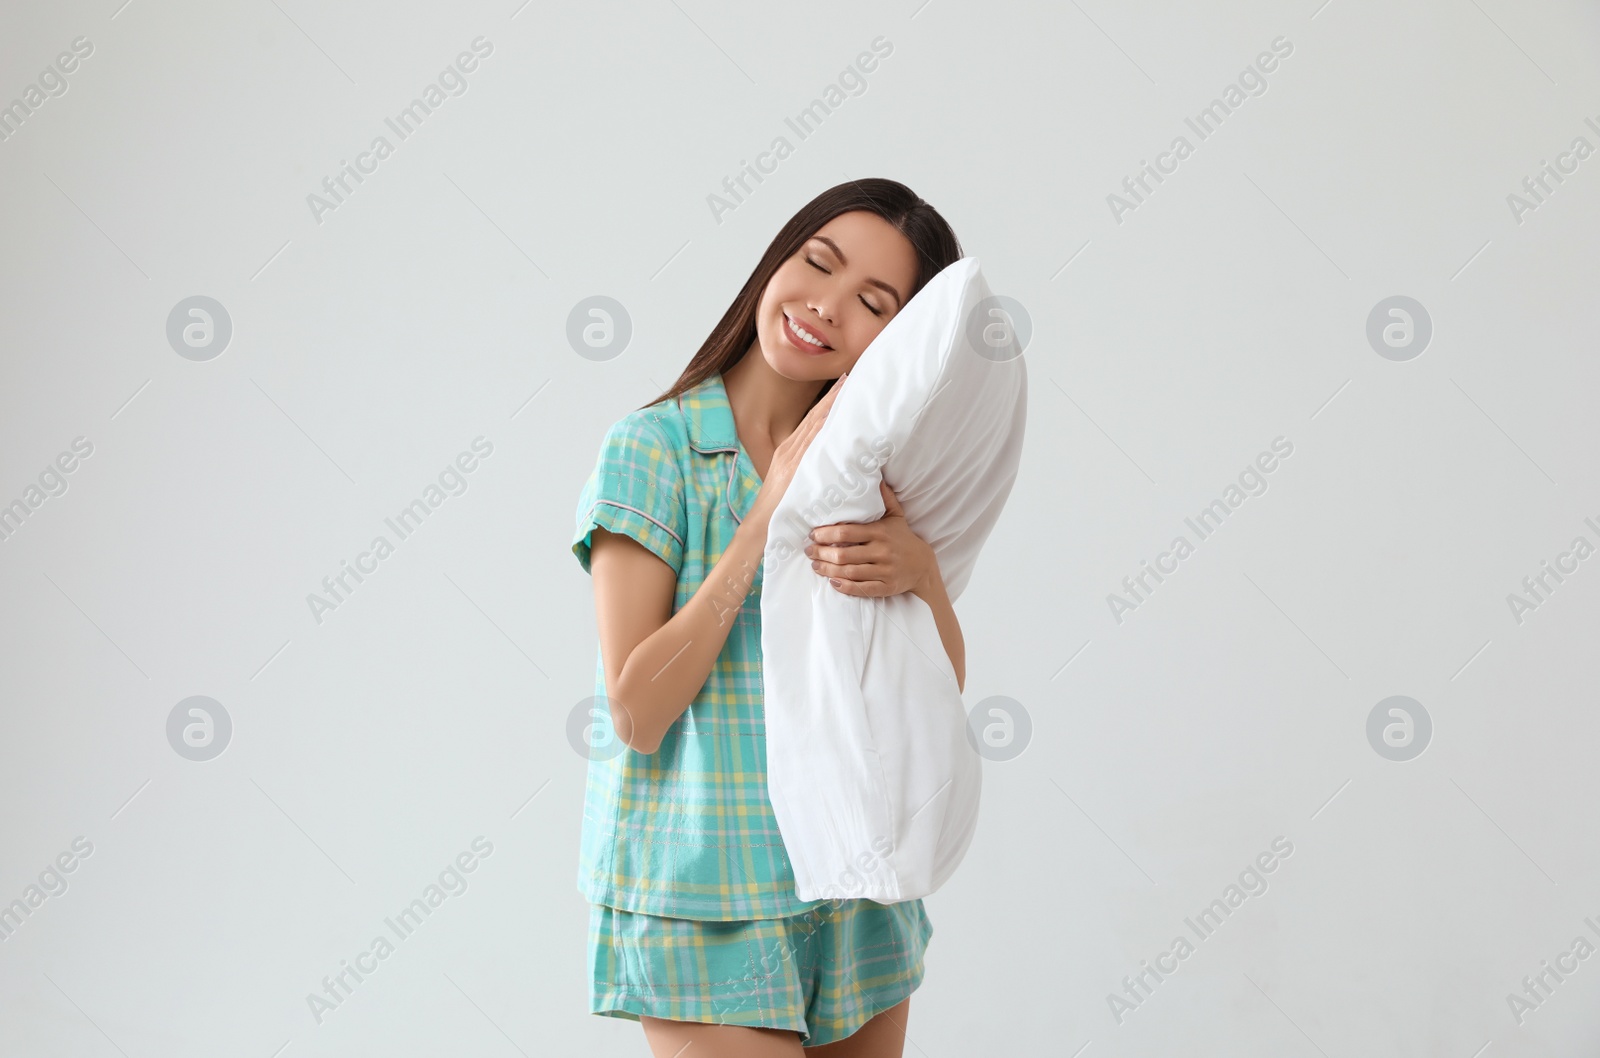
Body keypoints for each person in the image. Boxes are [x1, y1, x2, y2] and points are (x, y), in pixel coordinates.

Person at [570, 177, 968, 1056]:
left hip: (853, 885)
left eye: (871, 302)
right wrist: (766, 512)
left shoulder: (869, 482)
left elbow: (927, 704)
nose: (824, 307)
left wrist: (923, 574)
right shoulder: (655, 451)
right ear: (773, 263)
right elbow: (638, 711)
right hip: (705, 892)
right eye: (816, 263)